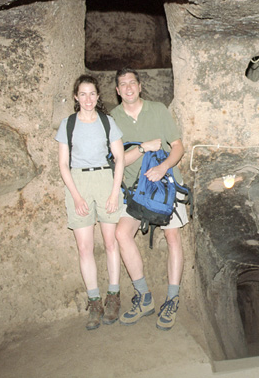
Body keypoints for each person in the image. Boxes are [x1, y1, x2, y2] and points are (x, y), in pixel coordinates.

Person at [111, 68, 188, 331]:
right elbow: (118, 161)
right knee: (122, 235)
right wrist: (143, 147)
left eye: (132, 82)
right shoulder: (114, 119)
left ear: (140, 86)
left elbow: (177, 146)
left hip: (165, 185)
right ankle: (144, 297)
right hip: (135, 189)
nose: (128, 87)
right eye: (123, 84)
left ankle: (172, 298)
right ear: (118, 91)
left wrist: (164, 166)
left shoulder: (157, 110)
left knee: (173, 237)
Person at [55, 74, 125, 330]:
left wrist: (114, 191)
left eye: (92, 94)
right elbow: (63, 164)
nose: (87, 99)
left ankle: (114, 296)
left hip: (105, 180)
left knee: (110, 242)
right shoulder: (68, 124)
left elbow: (119, 158)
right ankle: (94, 300)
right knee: (84, 247)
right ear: (76, 97)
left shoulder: (108, 122)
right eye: (82, 94)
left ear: (98, 96)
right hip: (78, 183)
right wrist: (76, 195)